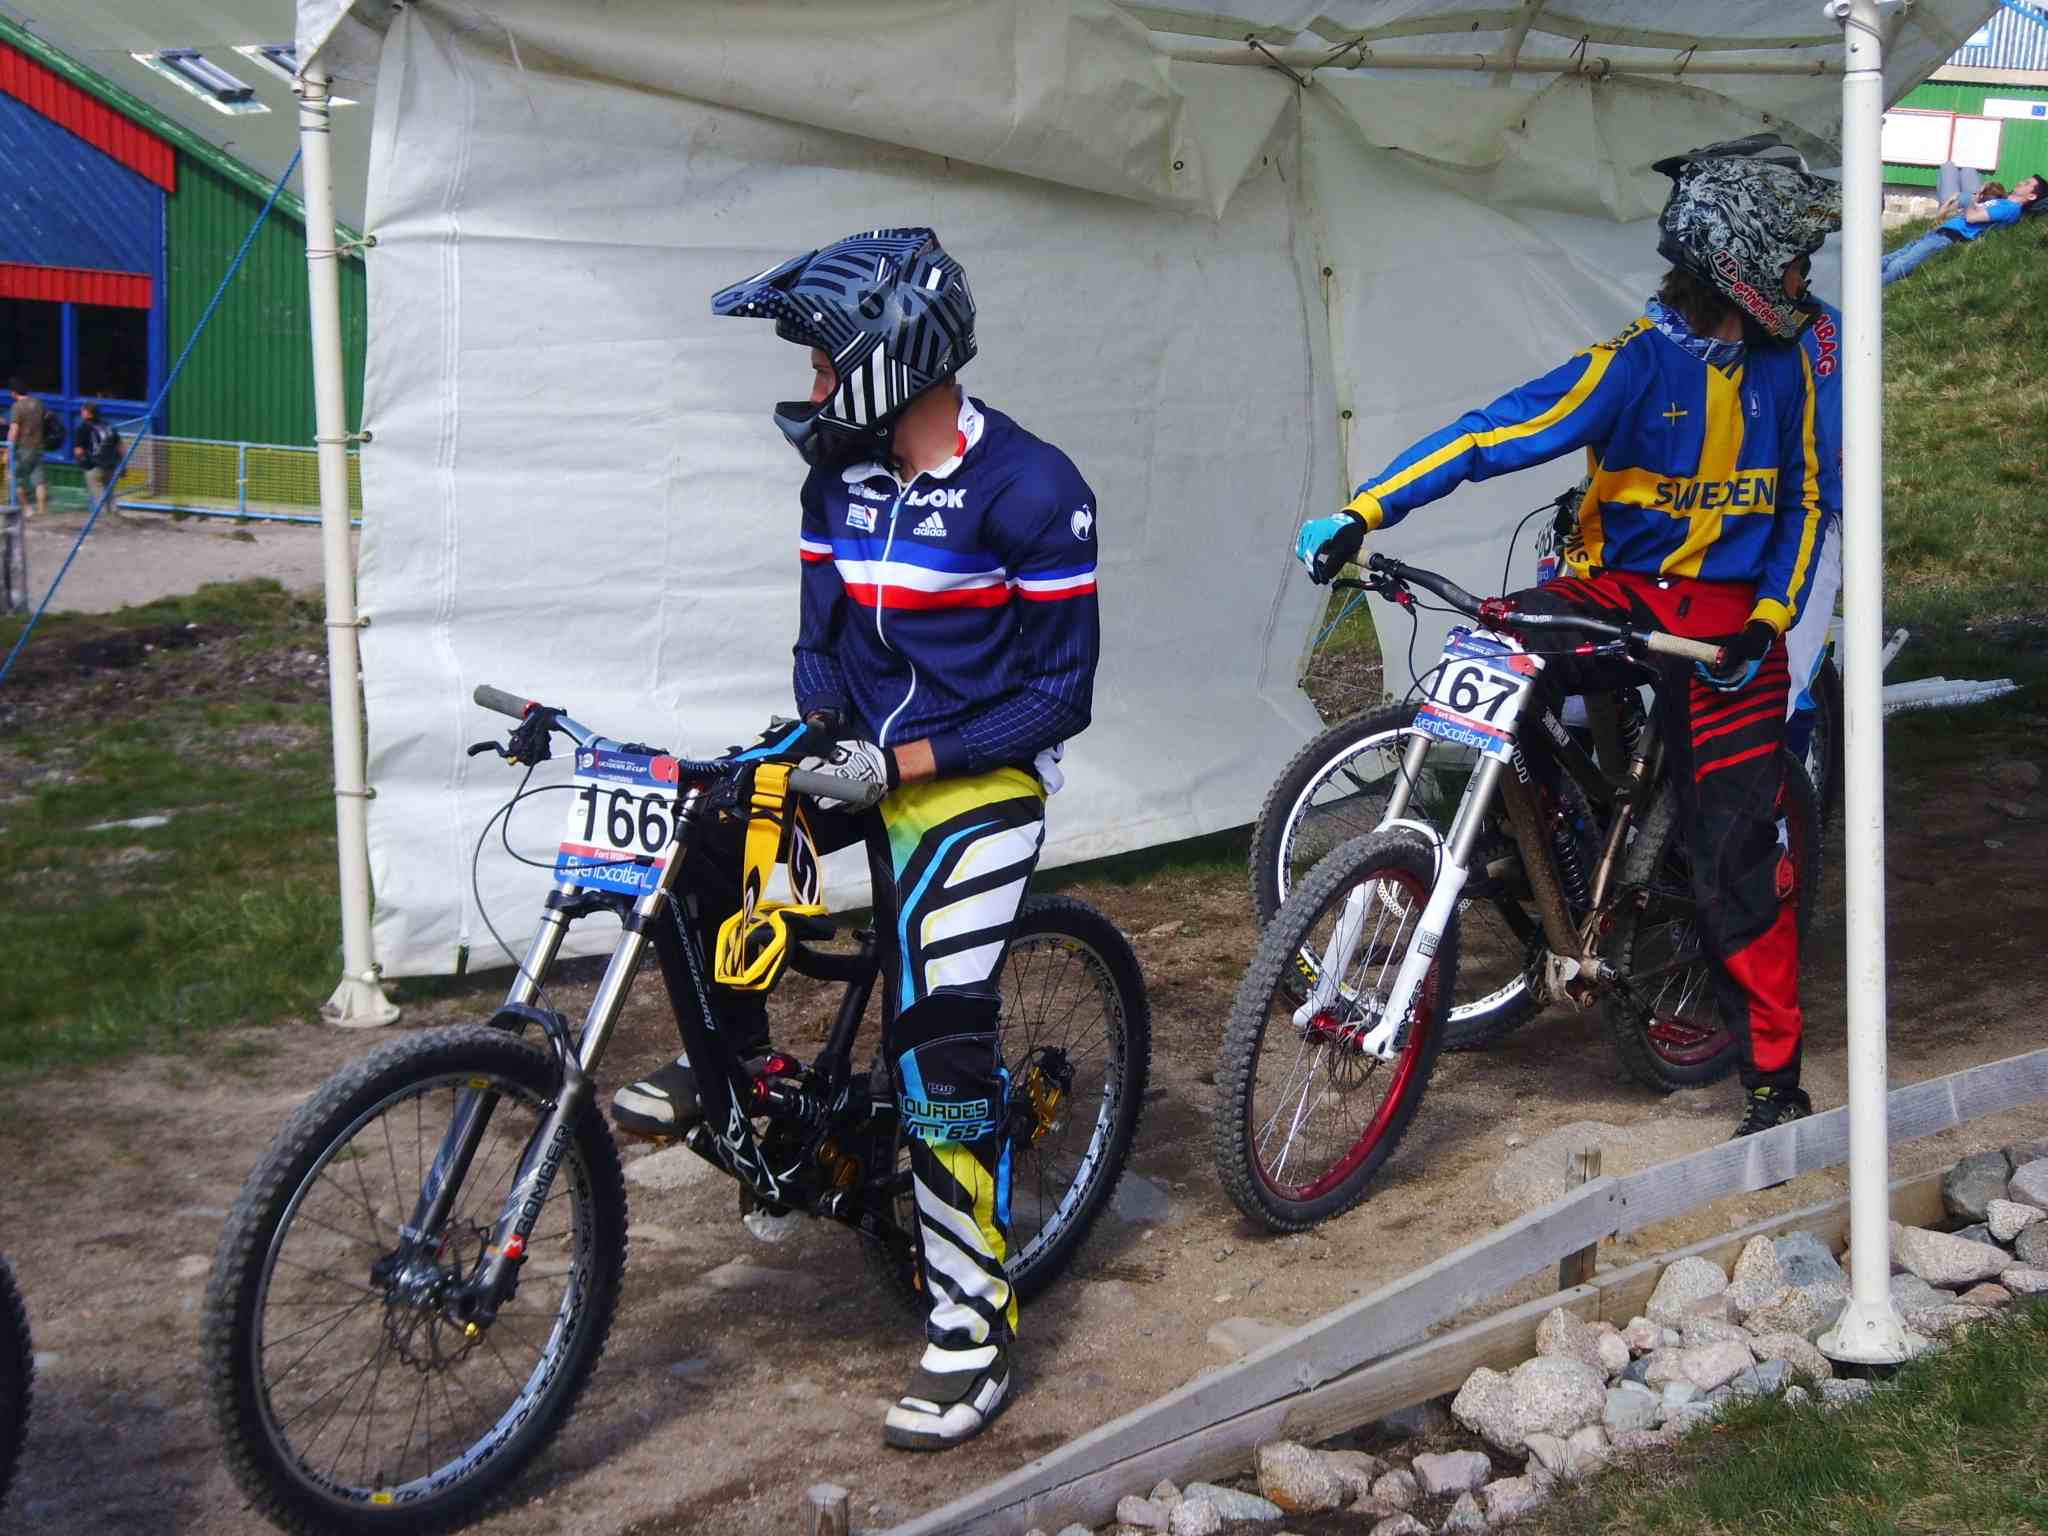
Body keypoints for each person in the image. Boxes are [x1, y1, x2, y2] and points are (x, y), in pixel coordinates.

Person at [611, 227, 1100, 1450]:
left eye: (826, 361)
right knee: (699, 833)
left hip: (976, 780)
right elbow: (819, 641)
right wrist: (816, 742)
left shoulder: (1035, 488)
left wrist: (902, 764)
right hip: (860, 752)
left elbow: (1058, 696)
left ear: (893, 358)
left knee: (935, 1042)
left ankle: (971, 1326)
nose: (814, 385)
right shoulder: (837, 478)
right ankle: (743, 1077)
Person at [1295, 135, 1839, 1141]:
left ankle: (1772, 1080)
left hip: (1729, 621)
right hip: (1617, 592)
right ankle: (1518, 857)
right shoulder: (1634, 365)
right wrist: (1363, 511)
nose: (1806, 283)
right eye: (1794, 262)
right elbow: (1489, 435)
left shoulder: (1791, 366)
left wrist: (1771, 618)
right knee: (1487, 646)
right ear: (1744, 264)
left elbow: (1808, 503)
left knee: (1733, 862)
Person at [1783, 270, 1843, 767]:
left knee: (1786, 677)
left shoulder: (1823, 332)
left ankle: (1782, 811)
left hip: (1806, 516)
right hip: (1732, 519)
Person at [1881, 173, 2047, 286]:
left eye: (2027, 184)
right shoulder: (2003, 202)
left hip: (1949, 237)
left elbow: (1972, 217)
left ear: (2031, 196)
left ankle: (1870, 291)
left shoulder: (2010, 208)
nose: (2021, 182)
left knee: (1900, 264)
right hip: (1941, 232)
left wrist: (1976, 197)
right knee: (1890, 258)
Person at [6, 380, 50, 521]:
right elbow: (46, 418)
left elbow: (14, 429)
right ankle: (42, 511)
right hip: (39, 446)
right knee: (39, 480)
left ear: (13, 392)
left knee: (13, 478)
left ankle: (27, 509)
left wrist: (8, 447)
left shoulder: (17, 407)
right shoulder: (38, 403)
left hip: (24, 447)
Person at [74, 403, 122, 513]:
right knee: (110, 493)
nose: (81, 413)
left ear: (88, 413)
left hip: (94, 465)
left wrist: (81, 462)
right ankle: (115, 515)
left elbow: (79, 450)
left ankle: (104, 518)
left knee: (99, 497)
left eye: (83, 411)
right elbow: (120, 445)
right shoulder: (108, 425)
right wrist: (122, 463)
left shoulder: (83, 427)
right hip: (110, 465)